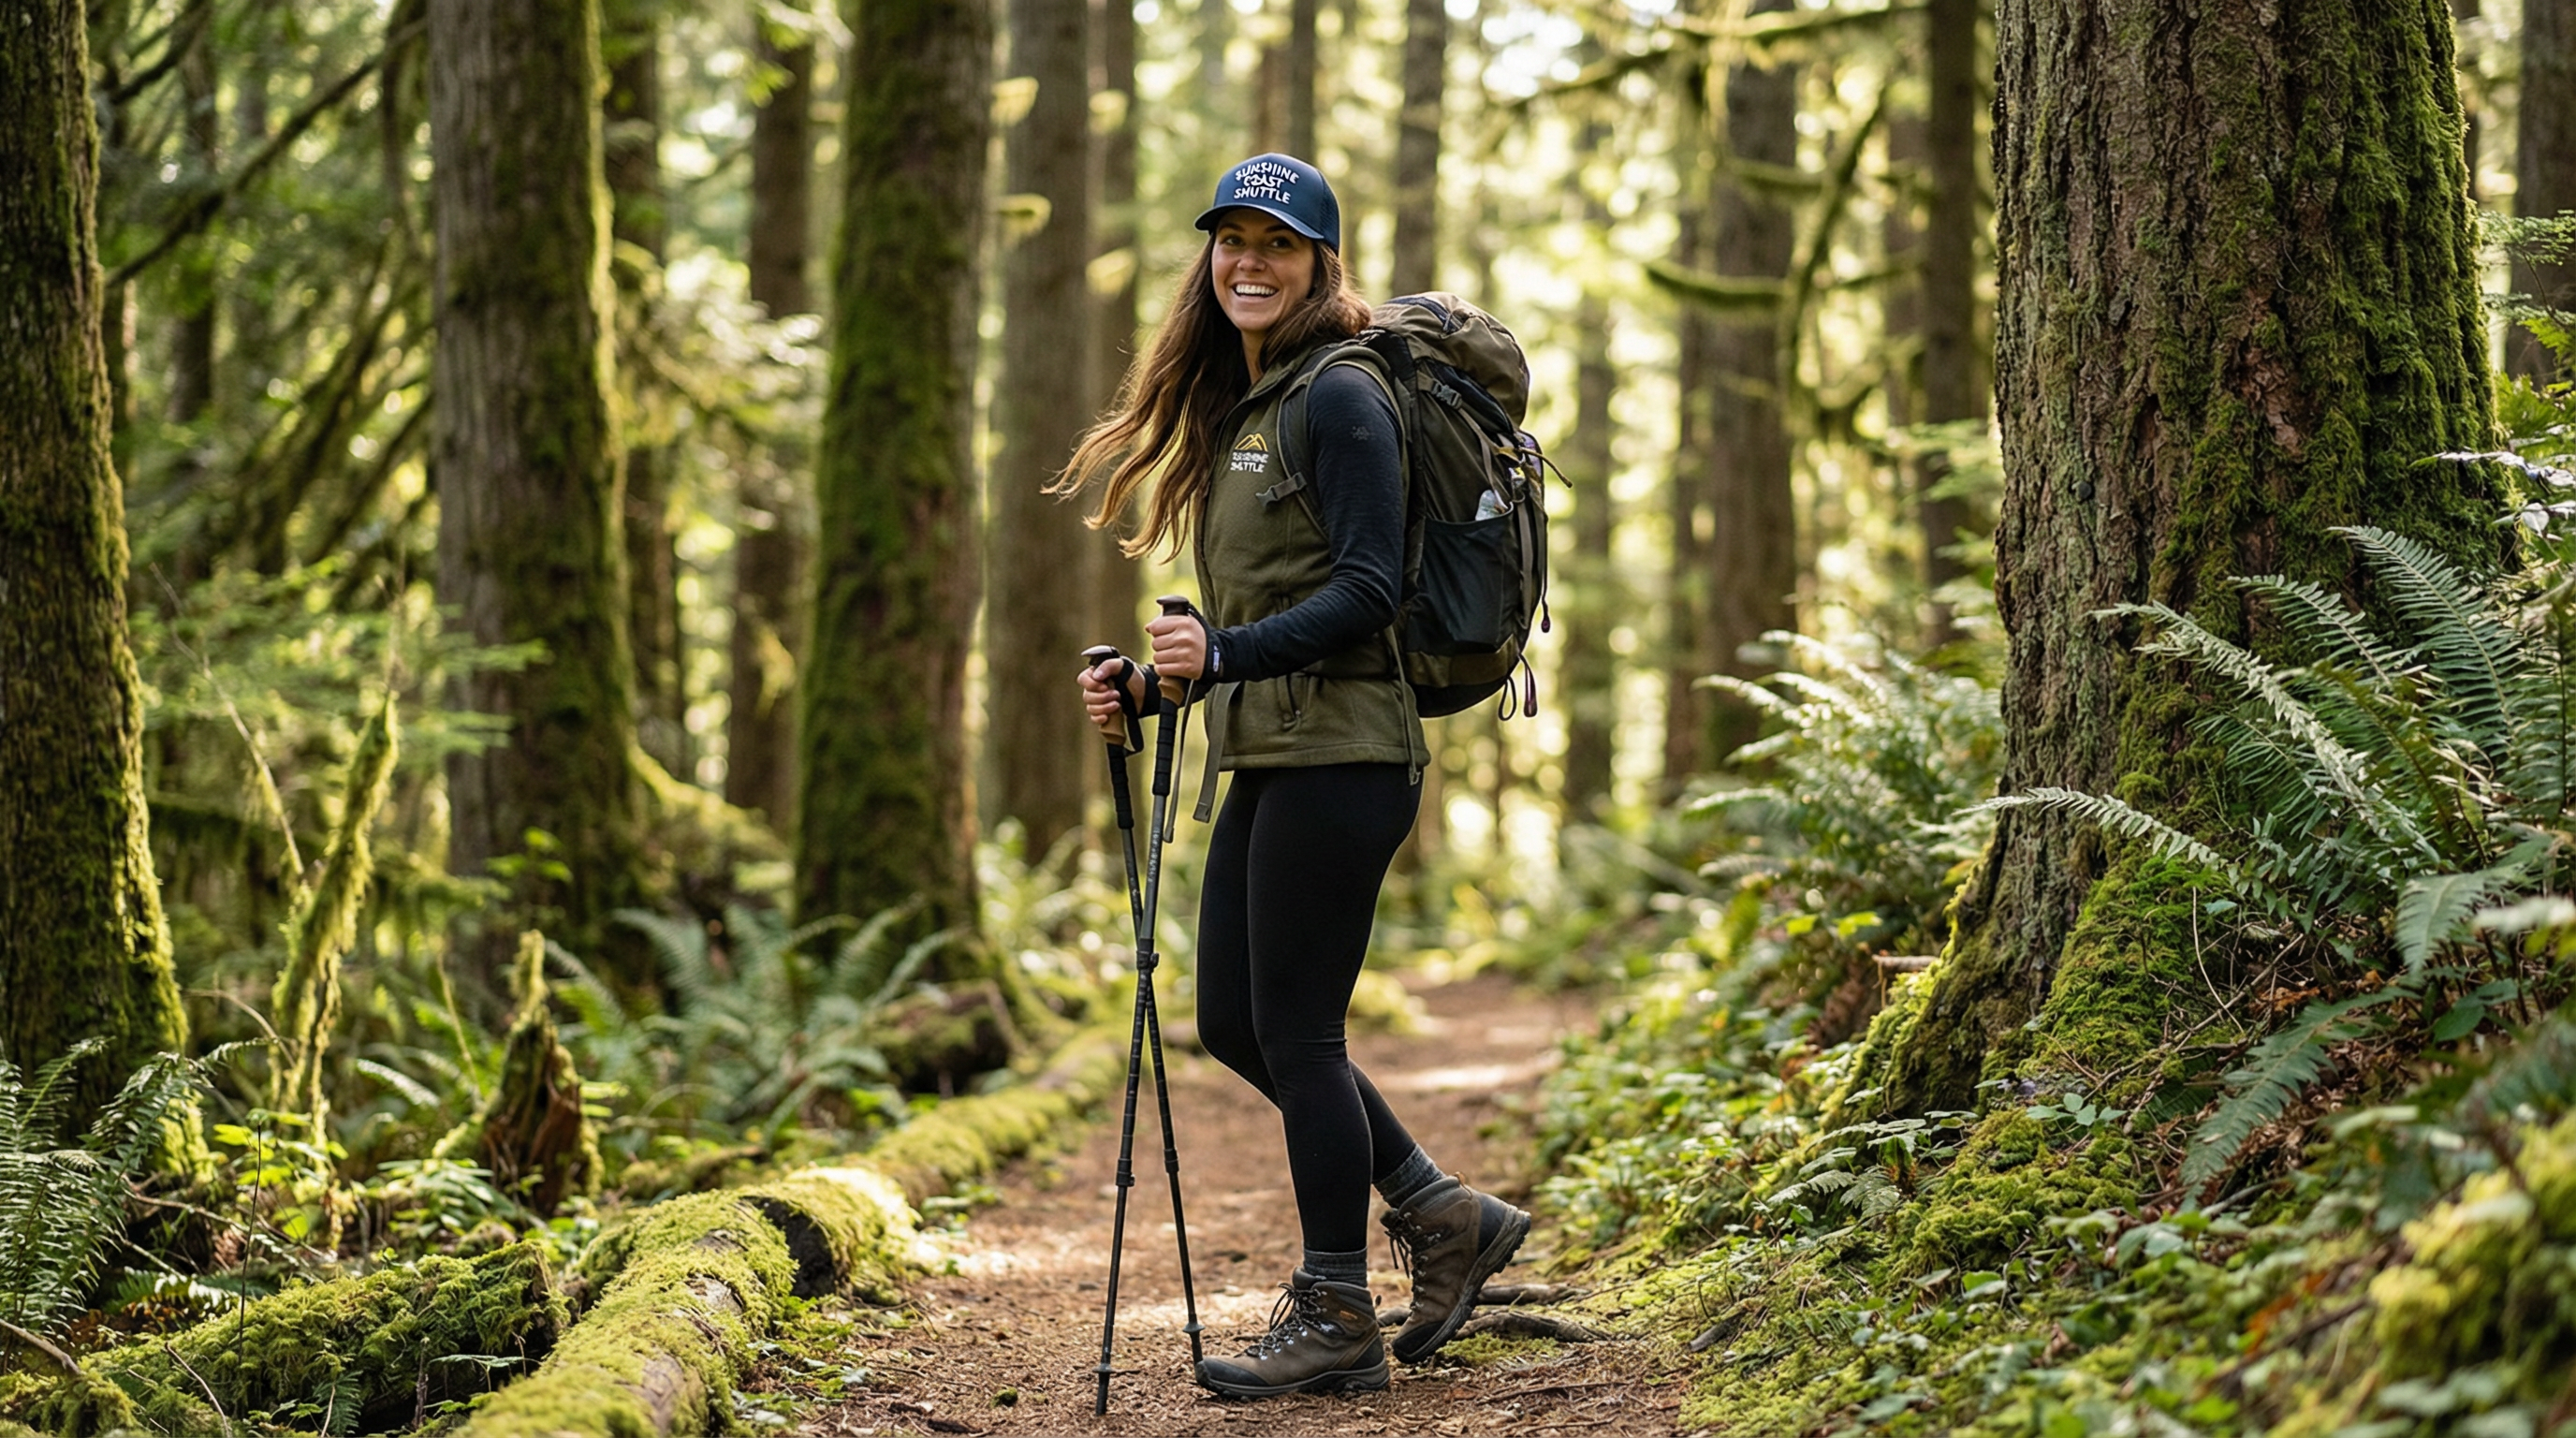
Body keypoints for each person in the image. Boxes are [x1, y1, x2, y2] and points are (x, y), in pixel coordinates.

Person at [1059, 154, 1530, 1399]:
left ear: (1322, 262)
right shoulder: (1253, 407)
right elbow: (1264, 618)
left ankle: (1335, 1309)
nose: (1247, 262)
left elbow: (1369, 591)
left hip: (1348, 753)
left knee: (1303, 1035)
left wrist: (1217, 655)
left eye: (1276, 243)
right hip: (1273, 749)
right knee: (1235, 1021)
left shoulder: (1343, 398)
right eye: (1230, 240)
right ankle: (1440, 1213)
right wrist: (1162, 681)